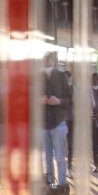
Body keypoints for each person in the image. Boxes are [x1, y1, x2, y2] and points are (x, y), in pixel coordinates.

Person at [44, 52, 70, 187]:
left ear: (53, 61)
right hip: (43, 124)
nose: (46, 61)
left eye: (49, 59)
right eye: (45, 59)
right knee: (47, 158)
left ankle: (62, 188)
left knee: (60, 158)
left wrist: (58, 101)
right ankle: (49, 188)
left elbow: (69, 99)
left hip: (58, 122)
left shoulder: (61, 76)